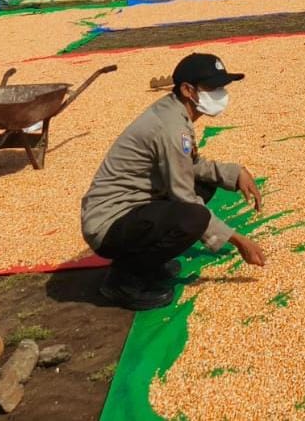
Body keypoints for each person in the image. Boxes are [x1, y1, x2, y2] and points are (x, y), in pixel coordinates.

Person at [80, 52, 267, 310]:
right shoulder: (171, 128)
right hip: (108, 224)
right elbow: (184, 196)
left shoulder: (174, 111)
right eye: (212, 88)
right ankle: (124, 280)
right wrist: (237, 240)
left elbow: (189, 165)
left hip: (132, 207)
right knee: (193, 217)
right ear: (188, 90)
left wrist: (235, 174)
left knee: (204, 187)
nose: (221, 94)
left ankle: (149, 262)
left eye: (221, 87)